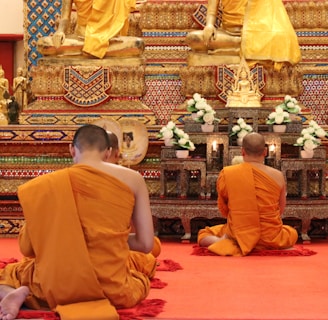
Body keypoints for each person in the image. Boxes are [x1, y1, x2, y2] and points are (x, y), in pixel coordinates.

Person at [0, 124, 160, 320]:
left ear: (72, 149)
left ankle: (16, 294)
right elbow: (145, 244)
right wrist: (105, 238)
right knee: (143, 272)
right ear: (108, 151)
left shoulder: (47, 185)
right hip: (113, 289)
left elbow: (27, 249)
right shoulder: (134, 179)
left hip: (55, 287)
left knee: (10, 273)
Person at [198, 132, 298, 256]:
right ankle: (270, 245)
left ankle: (222, 241)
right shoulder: (278, 175)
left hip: (239, 233)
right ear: (265, 152)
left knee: (204, 234)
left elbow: (224, 209)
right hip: (271, 236)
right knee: (291, 233)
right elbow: (280, 209)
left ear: (242, 151)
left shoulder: (228, 173)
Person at [186, 0, 301, 70]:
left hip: (256, 32)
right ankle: (245, 47)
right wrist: (209, 25)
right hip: (227, 33)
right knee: (193, 38)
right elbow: (211, 13)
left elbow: (271, 18)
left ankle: (242, 46)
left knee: (282, 39)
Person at [37, 0, 145, 58]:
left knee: (137, 45)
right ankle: (90, 50)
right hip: (81, 38)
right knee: (44, 44)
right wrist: (60, 31)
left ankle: (87, 51)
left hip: (108, 37)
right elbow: (65, 17)